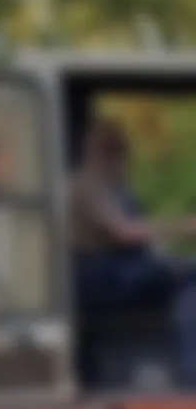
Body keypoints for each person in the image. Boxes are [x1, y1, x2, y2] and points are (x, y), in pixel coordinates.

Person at [69, 118, 196, 384]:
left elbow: (140, 240)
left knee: (184, 271)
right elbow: (124, 232)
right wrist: (182, 226)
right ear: (108, 154)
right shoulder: (87, 185)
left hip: (121, 269)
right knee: (188, 277)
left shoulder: (116, 187)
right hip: (101, 276)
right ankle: (190, 371)